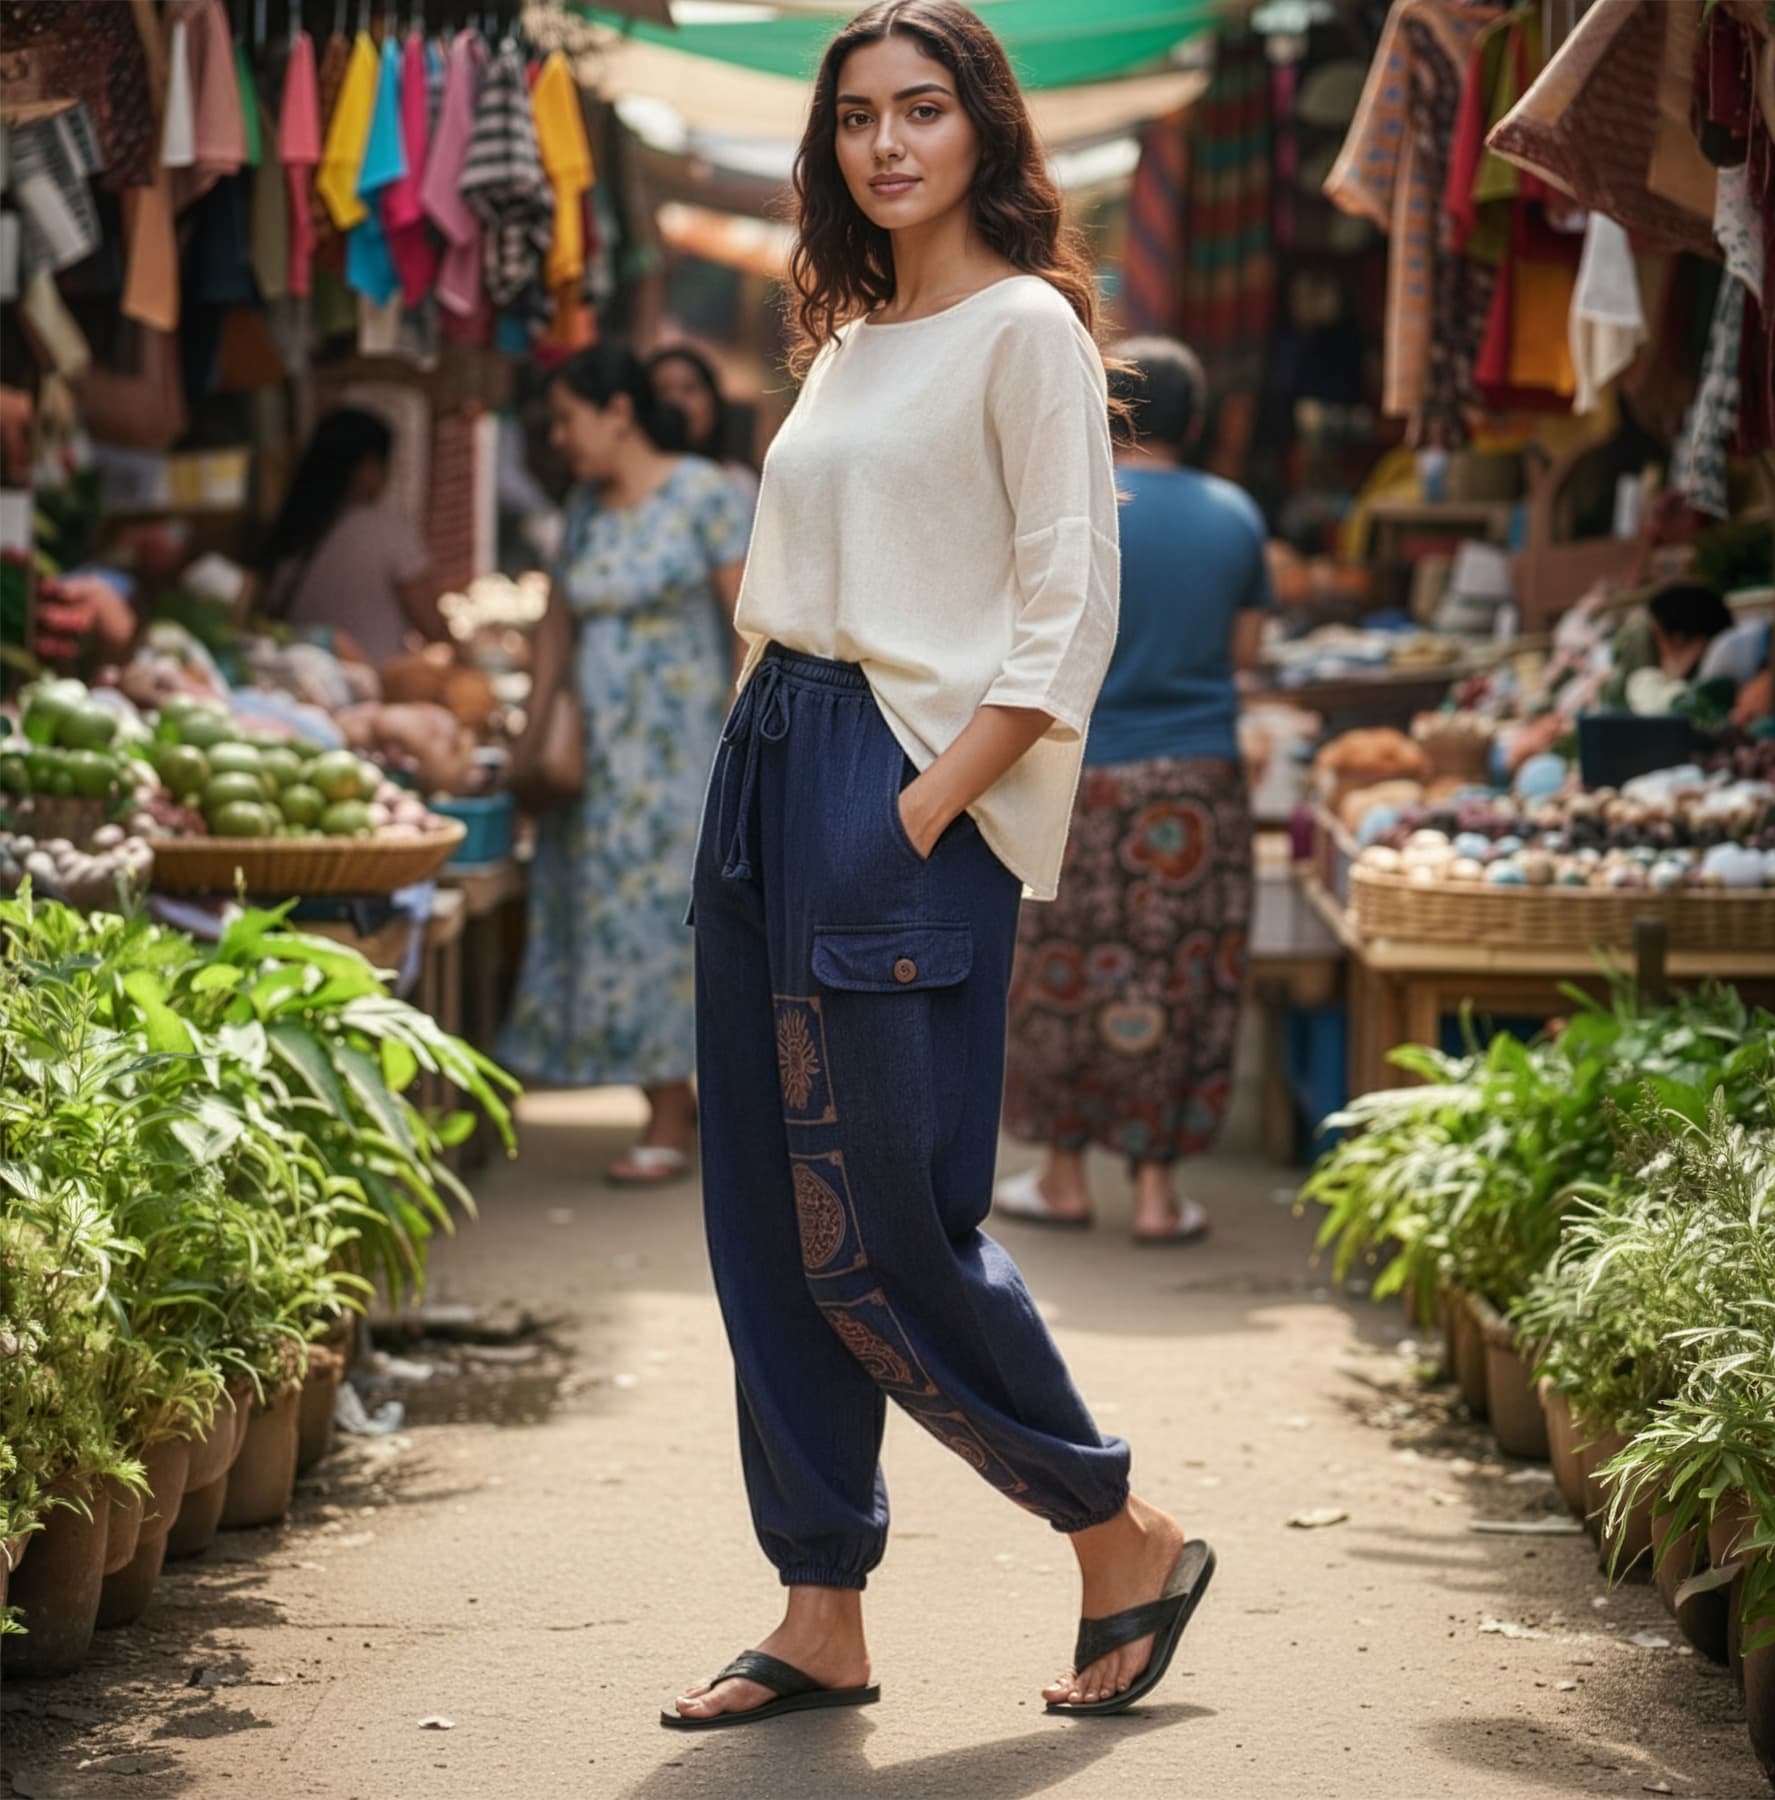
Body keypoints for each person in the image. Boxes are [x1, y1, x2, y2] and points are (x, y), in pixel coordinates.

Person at [669, 0, 1211, 1732]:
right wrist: (777, 774)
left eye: (920, 109)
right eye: (853, 120)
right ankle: (820, 1605)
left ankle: (1115, 1525)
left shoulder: (1026, 335)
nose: (885, 145)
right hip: (773, 767)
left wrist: (919, 802)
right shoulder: (846, 338)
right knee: (763, 1211)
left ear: (983, 124)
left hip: (893, 786)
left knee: (882, 1219)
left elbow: (1070, 606)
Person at [997, 337, 1270, 1243]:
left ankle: (1065, 1177)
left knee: (1061, 979)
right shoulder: (1235, 516)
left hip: (1078, 778)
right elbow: (1243, 658)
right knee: (1181, 979)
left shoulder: (1077, 511)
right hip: (1195, 787)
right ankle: (1158, 1195)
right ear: (1197, 421)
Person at [499, 345, 749, 1186]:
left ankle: (677, 1111)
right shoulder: (582, 508)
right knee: (606, 924)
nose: (560, 438)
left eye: (569, 418)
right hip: (596, 763)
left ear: (620, 412)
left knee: (668, 931)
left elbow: (750, 628)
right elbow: (556, 630)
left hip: (681, 759)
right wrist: (532, 737)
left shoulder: (705, 495)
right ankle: (664, 1100)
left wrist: (748, 745)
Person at [257, 409, 444, 665]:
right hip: (369, 688)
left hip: (301, 682)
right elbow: (433, 626)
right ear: (368, 467)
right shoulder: (388, 532)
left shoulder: (292, 531)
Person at [648, 344, 762, 518]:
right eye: (663, 391)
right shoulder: (634, 487)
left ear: (713, 402)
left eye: (689, 389)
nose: (676, 402)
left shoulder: (739, 484)